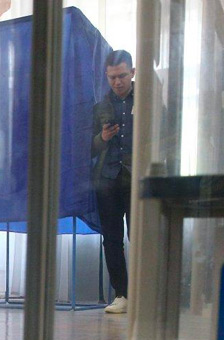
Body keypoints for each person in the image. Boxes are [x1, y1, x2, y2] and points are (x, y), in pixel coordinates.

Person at [91, 50, 135, 314]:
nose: (117, 82)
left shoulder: (148, 100)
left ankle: (143, 293)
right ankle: (122, 294)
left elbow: (164, 136)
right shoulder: (100, 107)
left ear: (133, 72)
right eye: (112, 77)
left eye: (122, 76)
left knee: (140, 236)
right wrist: (103, 138)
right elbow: (88, 148)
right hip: (107, 181)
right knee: (112, 239)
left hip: (137, 179)